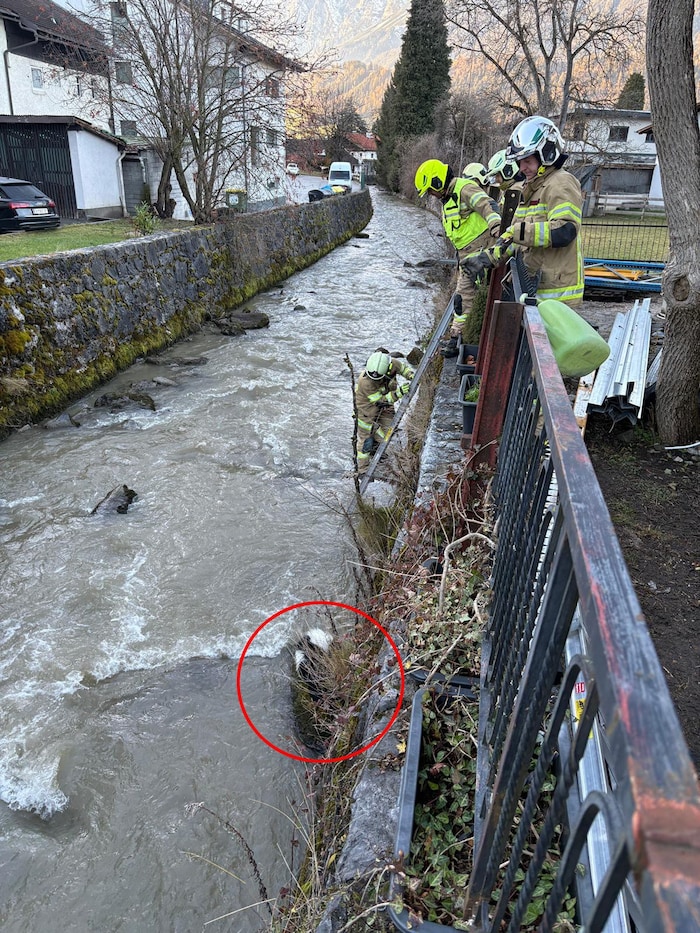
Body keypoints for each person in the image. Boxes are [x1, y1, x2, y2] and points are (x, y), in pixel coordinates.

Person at [463, 116, 584, 308]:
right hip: (535, 290)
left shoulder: (561, 183)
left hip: (557, 296)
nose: (522, 168)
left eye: (527, 161)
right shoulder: (531, 188)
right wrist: (487, 258)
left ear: (546, 154)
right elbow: (513, 239)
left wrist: (519, 232)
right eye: (520, 162)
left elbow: (565, 230)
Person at [414, 159, 501, 356]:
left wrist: (496, 226)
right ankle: (459, 337)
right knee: (464, 297)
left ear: (437, 182)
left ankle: (458, 338)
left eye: (430, 190)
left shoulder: (463, 188)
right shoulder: (447, 199)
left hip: (481, 252)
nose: (431, 194)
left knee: (465, 295)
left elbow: (487, 205)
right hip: (467, 256)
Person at [355, 350, 414, 474]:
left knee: (388, 433)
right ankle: (363, 470)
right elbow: (380, 401)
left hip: (386, 408)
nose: (375, 380)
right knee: (365, 442)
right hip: (367, 412)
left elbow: (403, 369)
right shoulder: (365, 382)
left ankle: (377, 449)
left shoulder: (393, 364)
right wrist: (399, 393)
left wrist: (411, 375)